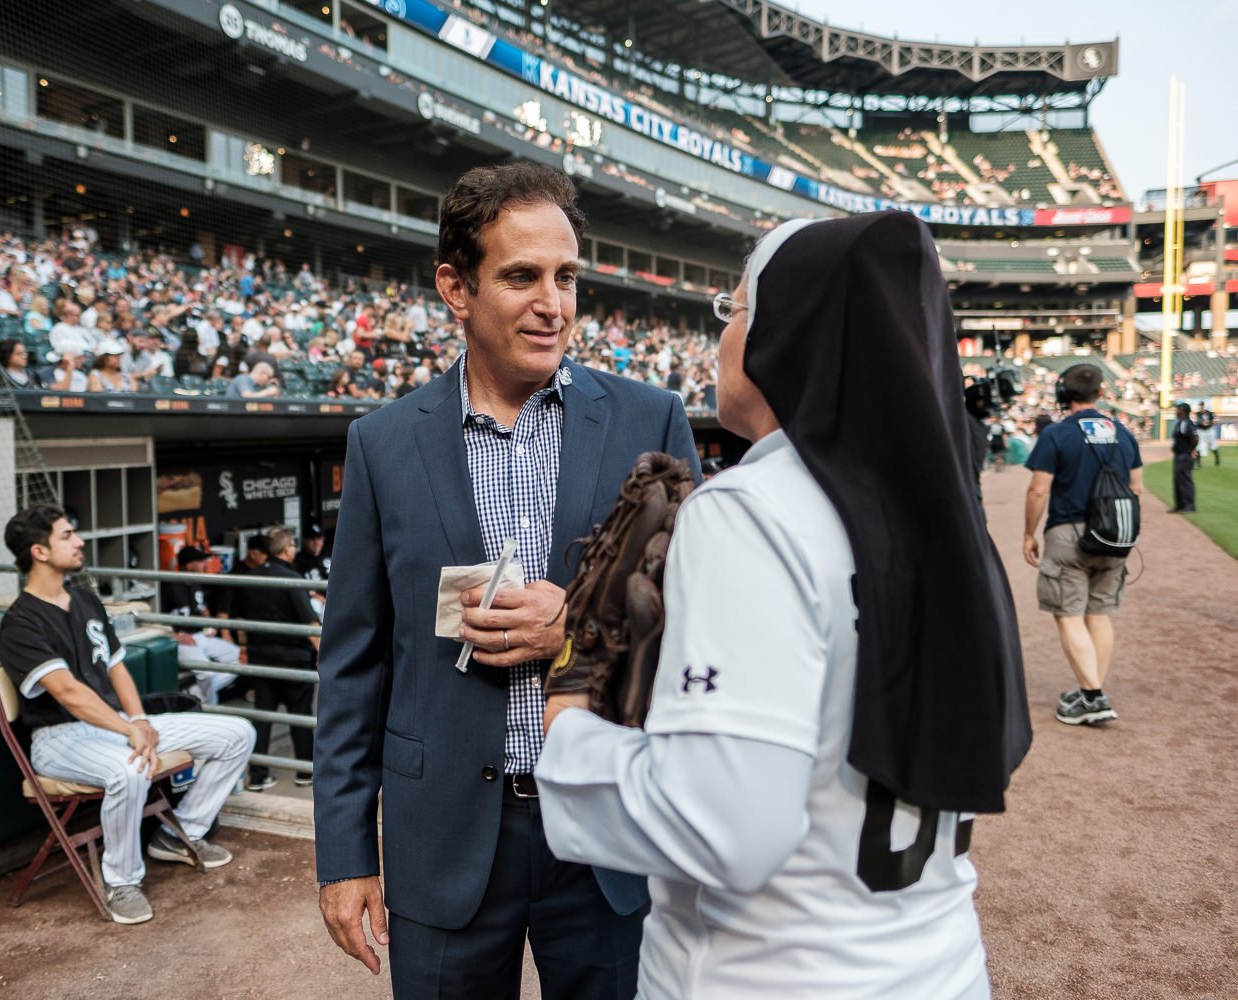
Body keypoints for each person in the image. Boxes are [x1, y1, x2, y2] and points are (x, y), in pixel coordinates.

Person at [535, 213, 1029, 999]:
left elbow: (725, 828)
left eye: (732, 312)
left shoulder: (751, 509)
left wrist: (568, 730)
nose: (722, 337)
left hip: (771, 974)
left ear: (786, 335)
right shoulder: (944, 511)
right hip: (940, 965)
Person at [314, 161, 702, 999]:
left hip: (606, 834)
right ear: (456, 288)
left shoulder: (651, 418)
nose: (553, 303)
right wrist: (344, 854)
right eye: (522, 276)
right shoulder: (382, 442)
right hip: (442, 837)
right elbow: (353, 664)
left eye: (566, 278)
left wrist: (583, 628)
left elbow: (706, 620)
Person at [0, 505, 256, 925]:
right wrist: (129, 730)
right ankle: (121, 880)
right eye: (67, 536)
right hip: (60, 737)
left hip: (115, 726)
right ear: (39, 552)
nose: (79, 542)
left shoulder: (83, 600)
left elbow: (117, 669)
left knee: (237, 733)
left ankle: (180, 833)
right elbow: (67, 692)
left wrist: (140, 722)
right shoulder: (20, 622)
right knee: (130, 769)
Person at [1023, 362, 1142, 725]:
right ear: (1101, 393)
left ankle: (1093, 695)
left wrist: (1029, 533)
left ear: (1063, 394)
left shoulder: (1057, 434)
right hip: (1115, 534)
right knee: (1099, 614)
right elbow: (1136, 489)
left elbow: (1039, 489)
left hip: (1070, 533)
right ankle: (1089, 690)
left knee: (1069, 614)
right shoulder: (1124, 432)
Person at [242, 529, 321, 791]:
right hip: (293, 659)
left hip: (261, 658)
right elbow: (310, 623)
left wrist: (245, 648)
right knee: (300, 714)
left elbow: (239, 621)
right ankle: (305, 771)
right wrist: (324, 656)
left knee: (263, 716)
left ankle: (257, 775)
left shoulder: (251, 577)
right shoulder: (292, 579)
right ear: (287, 549)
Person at [159, 544, 241, 706]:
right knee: (207, 674)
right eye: (200, 561)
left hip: (199, 635)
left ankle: (194, 693)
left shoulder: (196, 583)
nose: (204, 565)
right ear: (189, 565)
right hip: (180, 639)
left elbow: (203, 608)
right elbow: (155, 619)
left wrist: (209, 624)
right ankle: (211, 709)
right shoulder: (169, 587)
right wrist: (174, 637)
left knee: (239, 658)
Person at [1170, 402, 1198, 514]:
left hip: (1184, 456)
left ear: (1184, 411)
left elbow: (1195, 438)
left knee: (1185, 481)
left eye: (1179, 409)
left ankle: (1190, 505)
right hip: (1179, 456)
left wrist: (1190, 451)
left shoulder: (1187, 423)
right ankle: (1180, 505)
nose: (1177, 410)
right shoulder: (1180, 423)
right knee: (1177, 481)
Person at [1194, 402, 1218, 467]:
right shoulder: (1197, 414)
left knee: (1213, 445)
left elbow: (1216, 419)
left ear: (1204, 406)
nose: (1200, 408)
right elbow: (1198, 421)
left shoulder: (1209, 413)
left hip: (1209, 430)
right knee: (1198, 446)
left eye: (1201, 406)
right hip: (1201, 431)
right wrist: (1203, 423)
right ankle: (1198, 463)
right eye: (1199, 406)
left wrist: (1211, 422)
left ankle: (1217, 459)